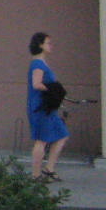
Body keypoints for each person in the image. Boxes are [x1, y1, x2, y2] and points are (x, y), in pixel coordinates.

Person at [27, 30, 68, 182]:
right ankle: (36, 174)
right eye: (48, 43)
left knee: (62, 135)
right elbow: (36, 84)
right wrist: (53, 90)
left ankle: (49, 168)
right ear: (40, 45)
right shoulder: (38, 63)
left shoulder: (43, 63)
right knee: (41, 140)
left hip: (49, 108)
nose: (51, 46)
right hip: (40, 108)